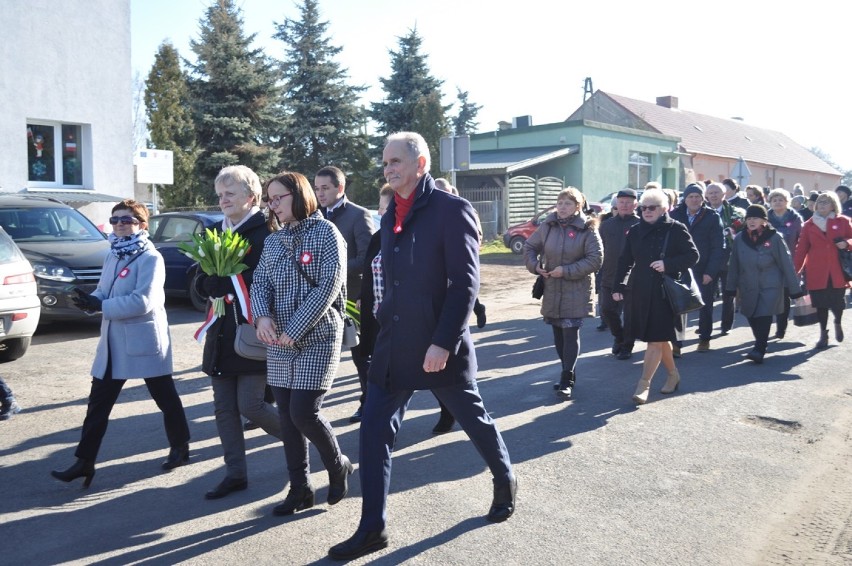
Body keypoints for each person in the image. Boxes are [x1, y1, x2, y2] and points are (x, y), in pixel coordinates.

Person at [329, 132, 515, 561]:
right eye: (385, 162)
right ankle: (372, 528)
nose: (388, 168)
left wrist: (443, 342)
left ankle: (504, 478)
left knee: (473, 418)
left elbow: (465, 284)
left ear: (421, 163)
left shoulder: (452, 210)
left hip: (437, 347)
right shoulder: (391, 211)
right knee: (373, 430)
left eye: (396, 161)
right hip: (395, 345)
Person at [51, 199, 191, 487]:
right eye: (114, 220)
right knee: (98, 405)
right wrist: (90, 301)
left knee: (165, 398)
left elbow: (143, 301)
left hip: (144, 341)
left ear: (141, 224)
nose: (119, 225)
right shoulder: (113, 253)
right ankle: (84, 462)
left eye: (126, 220)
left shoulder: (151, 257)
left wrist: (102, 306)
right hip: (114, 343)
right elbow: (104, 290)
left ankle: (181, 446)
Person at [251, 171, 353, 517]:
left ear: (300, 195)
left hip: (318, 336)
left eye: (279, 197)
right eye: (269, 199)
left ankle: (337, 465)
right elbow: (260, 281)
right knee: (288, 419)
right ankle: (300, 489)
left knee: (303, 413)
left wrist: (294, 329)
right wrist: (262, 317)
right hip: (278, 338)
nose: (273, 205)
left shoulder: (327, 233)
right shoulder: (273, 240)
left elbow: (327, 286)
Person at [193, 165, 283, 500]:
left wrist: (235, 285)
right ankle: (235, 474)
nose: (223, 200)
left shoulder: (266, 234)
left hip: (252, 333)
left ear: (252, 197)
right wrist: (207, 283)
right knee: (223, 408)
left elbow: (273, 284)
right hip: (221, 332)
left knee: (251, 406)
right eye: (220, 195)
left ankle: (307, 441)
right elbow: (200, 277)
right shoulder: (217, 233)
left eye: (230, 194)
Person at [612, 189, 699, 405]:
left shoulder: (676, 229)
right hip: (640, 291)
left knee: (655, 339)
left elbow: (693, 255)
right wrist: (618, 285)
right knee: (659, 338)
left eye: (652, 207)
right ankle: (673, 374)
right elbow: (625, 260)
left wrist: (668, 264)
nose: (647, 211)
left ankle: (644, 384)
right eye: (644, 208)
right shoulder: (634, 231)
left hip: (664, 293)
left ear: (664, 209)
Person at [524, 187, 603, 397]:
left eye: (567, 203)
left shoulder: (587, 228)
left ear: (577, 206)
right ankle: (568, 371)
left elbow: (595, 259)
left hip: (576, 289)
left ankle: (566, 377)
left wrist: (565, 271)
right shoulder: (548, 225)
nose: (562, 207)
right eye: (559, 203)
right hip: (552, 288)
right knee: (558, 333)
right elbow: (530, 246)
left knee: (570, 332)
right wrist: (535, 266)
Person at [314, 166, 376, 424]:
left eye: (325, 188)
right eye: (316, 189)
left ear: (340, 188)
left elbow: (368, 257)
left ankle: (369, 403)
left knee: (361, 357)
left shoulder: (358, 215)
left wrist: (333, 270)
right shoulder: (315, 217)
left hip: (353, 298)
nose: (320, 194)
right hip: (322, 300)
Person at [726, 205, 803, 363]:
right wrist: (730, 288)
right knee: (751, 315)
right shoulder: (741, 238)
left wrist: (795, 290)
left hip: (770, 285)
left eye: (755, 218)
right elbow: (734, 264)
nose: (751, 221)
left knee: (764, 315)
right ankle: (760, 343)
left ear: (763, 221)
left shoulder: (774, 237)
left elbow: (786, 264)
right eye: (748, 219)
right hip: (748, 285)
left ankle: (759, 348)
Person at [793, 191, 852, 349]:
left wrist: (847, 243)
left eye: (826, 202)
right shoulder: (809, 225)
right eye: (820, 202)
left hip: (837, 269)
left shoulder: (844, 221)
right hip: (816, 270)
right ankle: (823, 334)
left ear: (833, 205)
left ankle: (838, 322)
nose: (822, 205)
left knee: (838, 302)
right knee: (820, 304)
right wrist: (794, 271)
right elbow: (801, 249)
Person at [670, 183, 725, 352]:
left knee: (705, 304)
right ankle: (677, 343)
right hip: (680, 267)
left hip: (704, 268)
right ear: (685, 199)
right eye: (690, 197)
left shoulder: (712, 216)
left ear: (703, 199)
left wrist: (711, 272)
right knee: (677, 306)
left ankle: (705, 338)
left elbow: (718, 247)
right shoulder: (675, 215)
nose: (694, 200)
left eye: (697, 197)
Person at [598, 189, 640, 359]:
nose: (624, 205)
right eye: (621, 202)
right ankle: (619, 336)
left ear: (635, 205)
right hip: (609, 276)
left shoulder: (641, 224)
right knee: (607, 310)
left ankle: (627, 346)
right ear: (616, 204)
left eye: (629, 202)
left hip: (632, 278)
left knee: (630, 315)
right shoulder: (607, 225)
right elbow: (599, 250)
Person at [705, 182, 745, 335]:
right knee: (707, 293)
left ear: (724, 195)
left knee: (729, 293)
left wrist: (732, 232)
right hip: (709, 259)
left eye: (717, 192)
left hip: (729, 258)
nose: (714, 195)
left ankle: (726, 325)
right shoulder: (703, 212)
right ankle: (706, 324)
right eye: (711, 193)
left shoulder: (735, 212)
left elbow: (741, 231)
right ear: (706, 196)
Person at [766, 188, 803, 340]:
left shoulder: (795, 218)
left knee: (785, 295)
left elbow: (802, 240)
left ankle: (781, 328)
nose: (777, 202)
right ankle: (765, 329)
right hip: (769, 262)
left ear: (787, 201)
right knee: (771, 294)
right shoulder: (765, 218)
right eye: (774, 200)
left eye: (780, 199)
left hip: (790, 261)